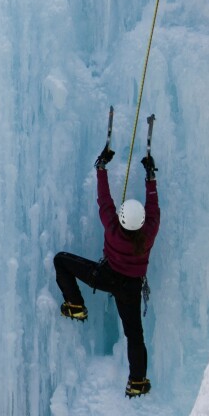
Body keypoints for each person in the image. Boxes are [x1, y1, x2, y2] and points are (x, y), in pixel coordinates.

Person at [54, 146, 160, 398]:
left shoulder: (113, 227)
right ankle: (137, 382)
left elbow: (105, 200)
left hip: (106, 276)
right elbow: (154, 206)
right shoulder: (149, 233)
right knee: (135, 335)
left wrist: (101, 168)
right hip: (131, 288)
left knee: (62, 261)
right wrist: (150, 177)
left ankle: (76, 306)